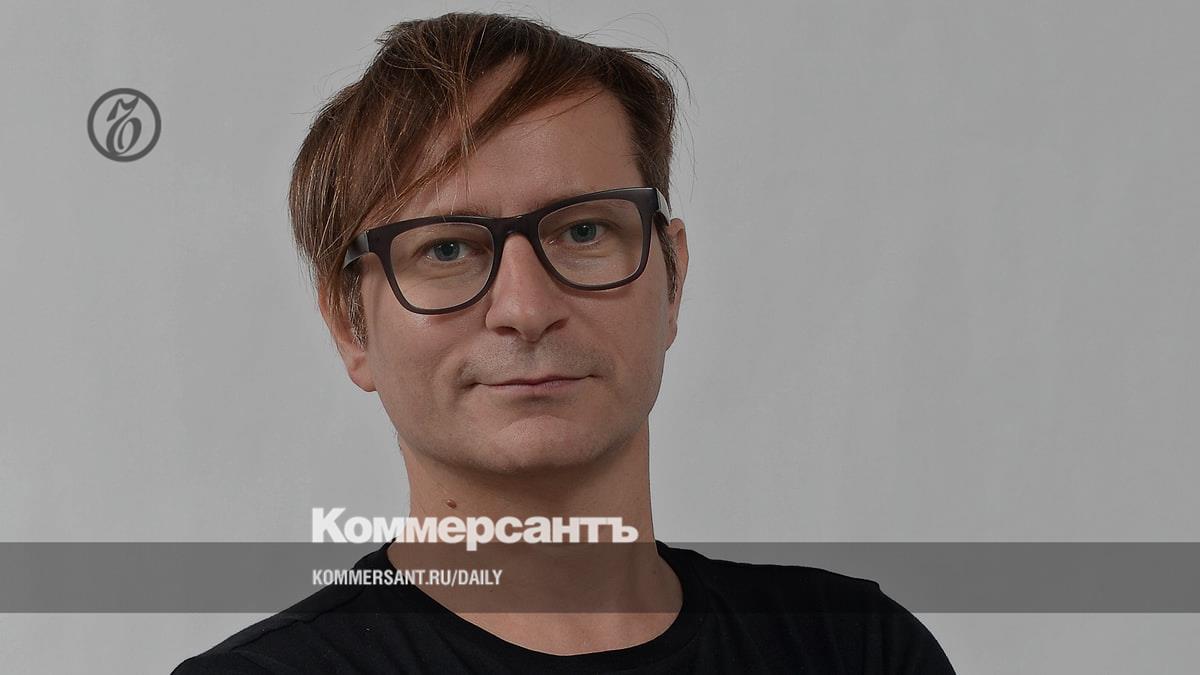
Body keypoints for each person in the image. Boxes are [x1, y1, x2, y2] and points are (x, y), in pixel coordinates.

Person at [175, 11, 956, 674]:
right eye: (446, 248)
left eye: (583, 231)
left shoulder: (857, 649)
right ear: (351, 324)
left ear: (673, 278)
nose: (526, 307)